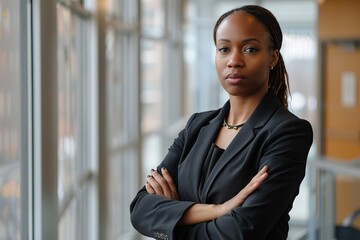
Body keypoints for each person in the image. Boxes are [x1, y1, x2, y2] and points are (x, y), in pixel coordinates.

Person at [130, 4, 313, 240]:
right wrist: (219, 210)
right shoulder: (197, 125)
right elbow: (140, 208)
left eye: (249, 49)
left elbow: (239, 232)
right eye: (224, 49)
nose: (234, 61)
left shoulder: (288, 132)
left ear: (272, 57)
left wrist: (174, 217)